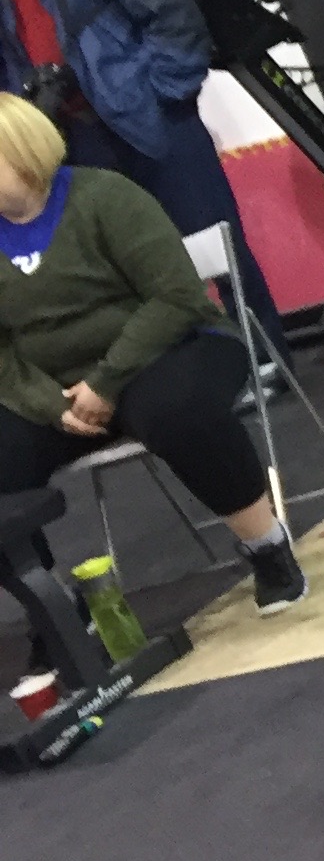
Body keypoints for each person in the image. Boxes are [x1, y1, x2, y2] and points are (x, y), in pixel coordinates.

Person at [0, 94, 304, 611]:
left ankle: (268, 547)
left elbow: (176, 297)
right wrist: (49, 404)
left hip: (174, 346)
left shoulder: (104, 195)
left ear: (22, 150)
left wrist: (105, 382)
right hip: (61, 389)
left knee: (174, 410)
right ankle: (52, 609)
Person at [0, 0, 289, 362]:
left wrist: (161, 95)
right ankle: (191, 373)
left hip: (152, 120)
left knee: (218, 245)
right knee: (125, 271)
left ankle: (264, 360)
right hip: (69, 139)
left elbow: (171, 14)